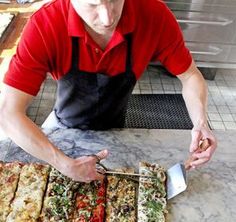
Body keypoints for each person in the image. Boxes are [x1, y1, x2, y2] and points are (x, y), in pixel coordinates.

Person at [0, 0, 217, 182]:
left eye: (114, 0)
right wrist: (63, 163)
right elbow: (9, 113)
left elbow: (190, 76)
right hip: (61, 130)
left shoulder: (154, 14)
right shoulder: (45, 24)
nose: (107, 19)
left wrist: (200, 123)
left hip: (117, 127)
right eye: (92, 4)